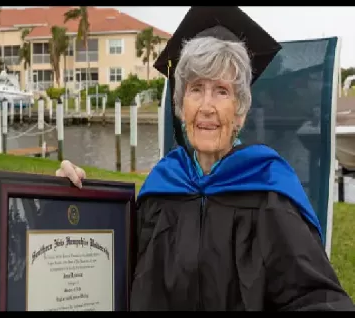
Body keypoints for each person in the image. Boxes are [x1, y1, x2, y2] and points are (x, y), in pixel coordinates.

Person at [56, 6, 354, 311]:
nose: (207, 106)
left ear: (240, 111)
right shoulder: (162, 189)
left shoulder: (269, 192)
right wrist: (73, 199)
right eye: (196, 89)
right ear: (181, 105)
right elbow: (105, 271)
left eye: (222, 91)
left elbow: (318, 300)